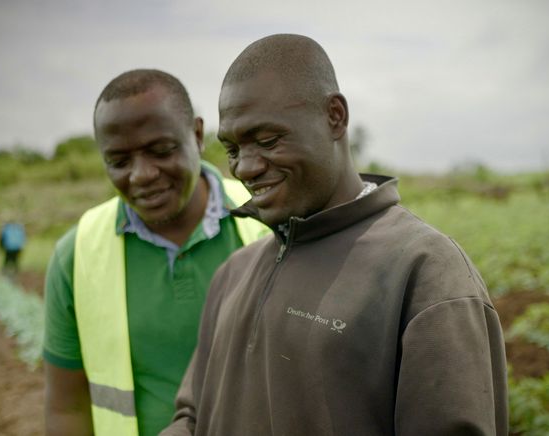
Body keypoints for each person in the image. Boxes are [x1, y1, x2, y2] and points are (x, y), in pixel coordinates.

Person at [161, 34, 508, 435]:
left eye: (268, 140)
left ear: (335, 117)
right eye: (233, 149)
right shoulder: (234, 273)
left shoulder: (424, 273)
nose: (244, 168)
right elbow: (193, 416)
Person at [43, 69, 268, 436]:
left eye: (161, 151)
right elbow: (66, 407)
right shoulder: (78, 253)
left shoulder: (269, 221)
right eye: (118, 161)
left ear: (197, 135)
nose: (142, 174)